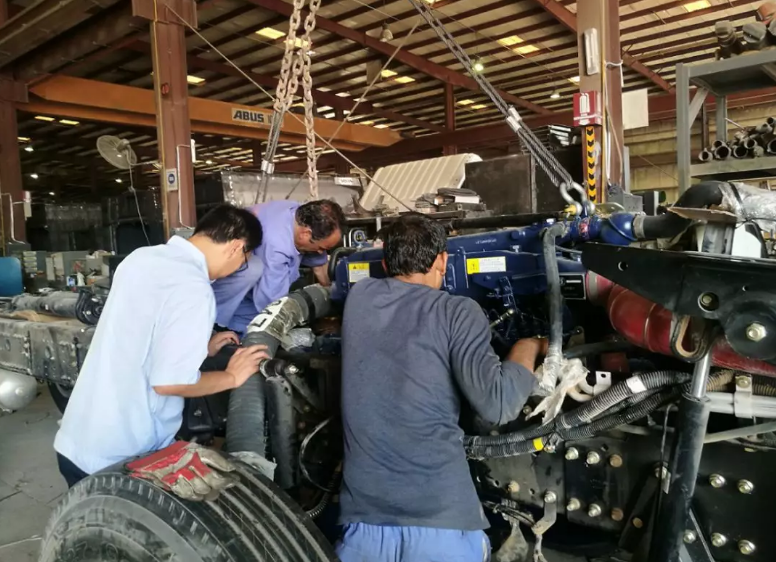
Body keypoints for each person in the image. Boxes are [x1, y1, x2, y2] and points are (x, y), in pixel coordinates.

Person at [337, 214, 546, 562]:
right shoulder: (458, 310)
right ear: (443, 261)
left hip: (362, 526)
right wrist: (530, 345)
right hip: (441, 522)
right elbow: (499, 405)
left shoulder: (359, 297)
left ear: (385, 264)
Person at [54, 204, 270, 487]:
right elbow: (169, 383)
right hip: (118, 457)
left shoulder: (140, 258)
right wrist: (232, 377)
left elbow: (138, 333)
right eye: (243, 261)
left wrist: (199, 348)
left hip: (78, 438)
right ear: (236, 247)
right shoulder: (194, 287)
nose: (236, 270)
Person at [212, 199, 345, 335]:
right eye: (322, 248)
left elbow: (320, 267)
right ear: (305, 234)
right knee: (261, 326)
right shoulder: (275, 246)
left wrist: (337, 296)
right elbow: (271, 304)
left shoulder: (301, 215)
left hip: (252, 283)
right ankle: (216, 327)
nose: (321, 252)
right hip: (224, 282)